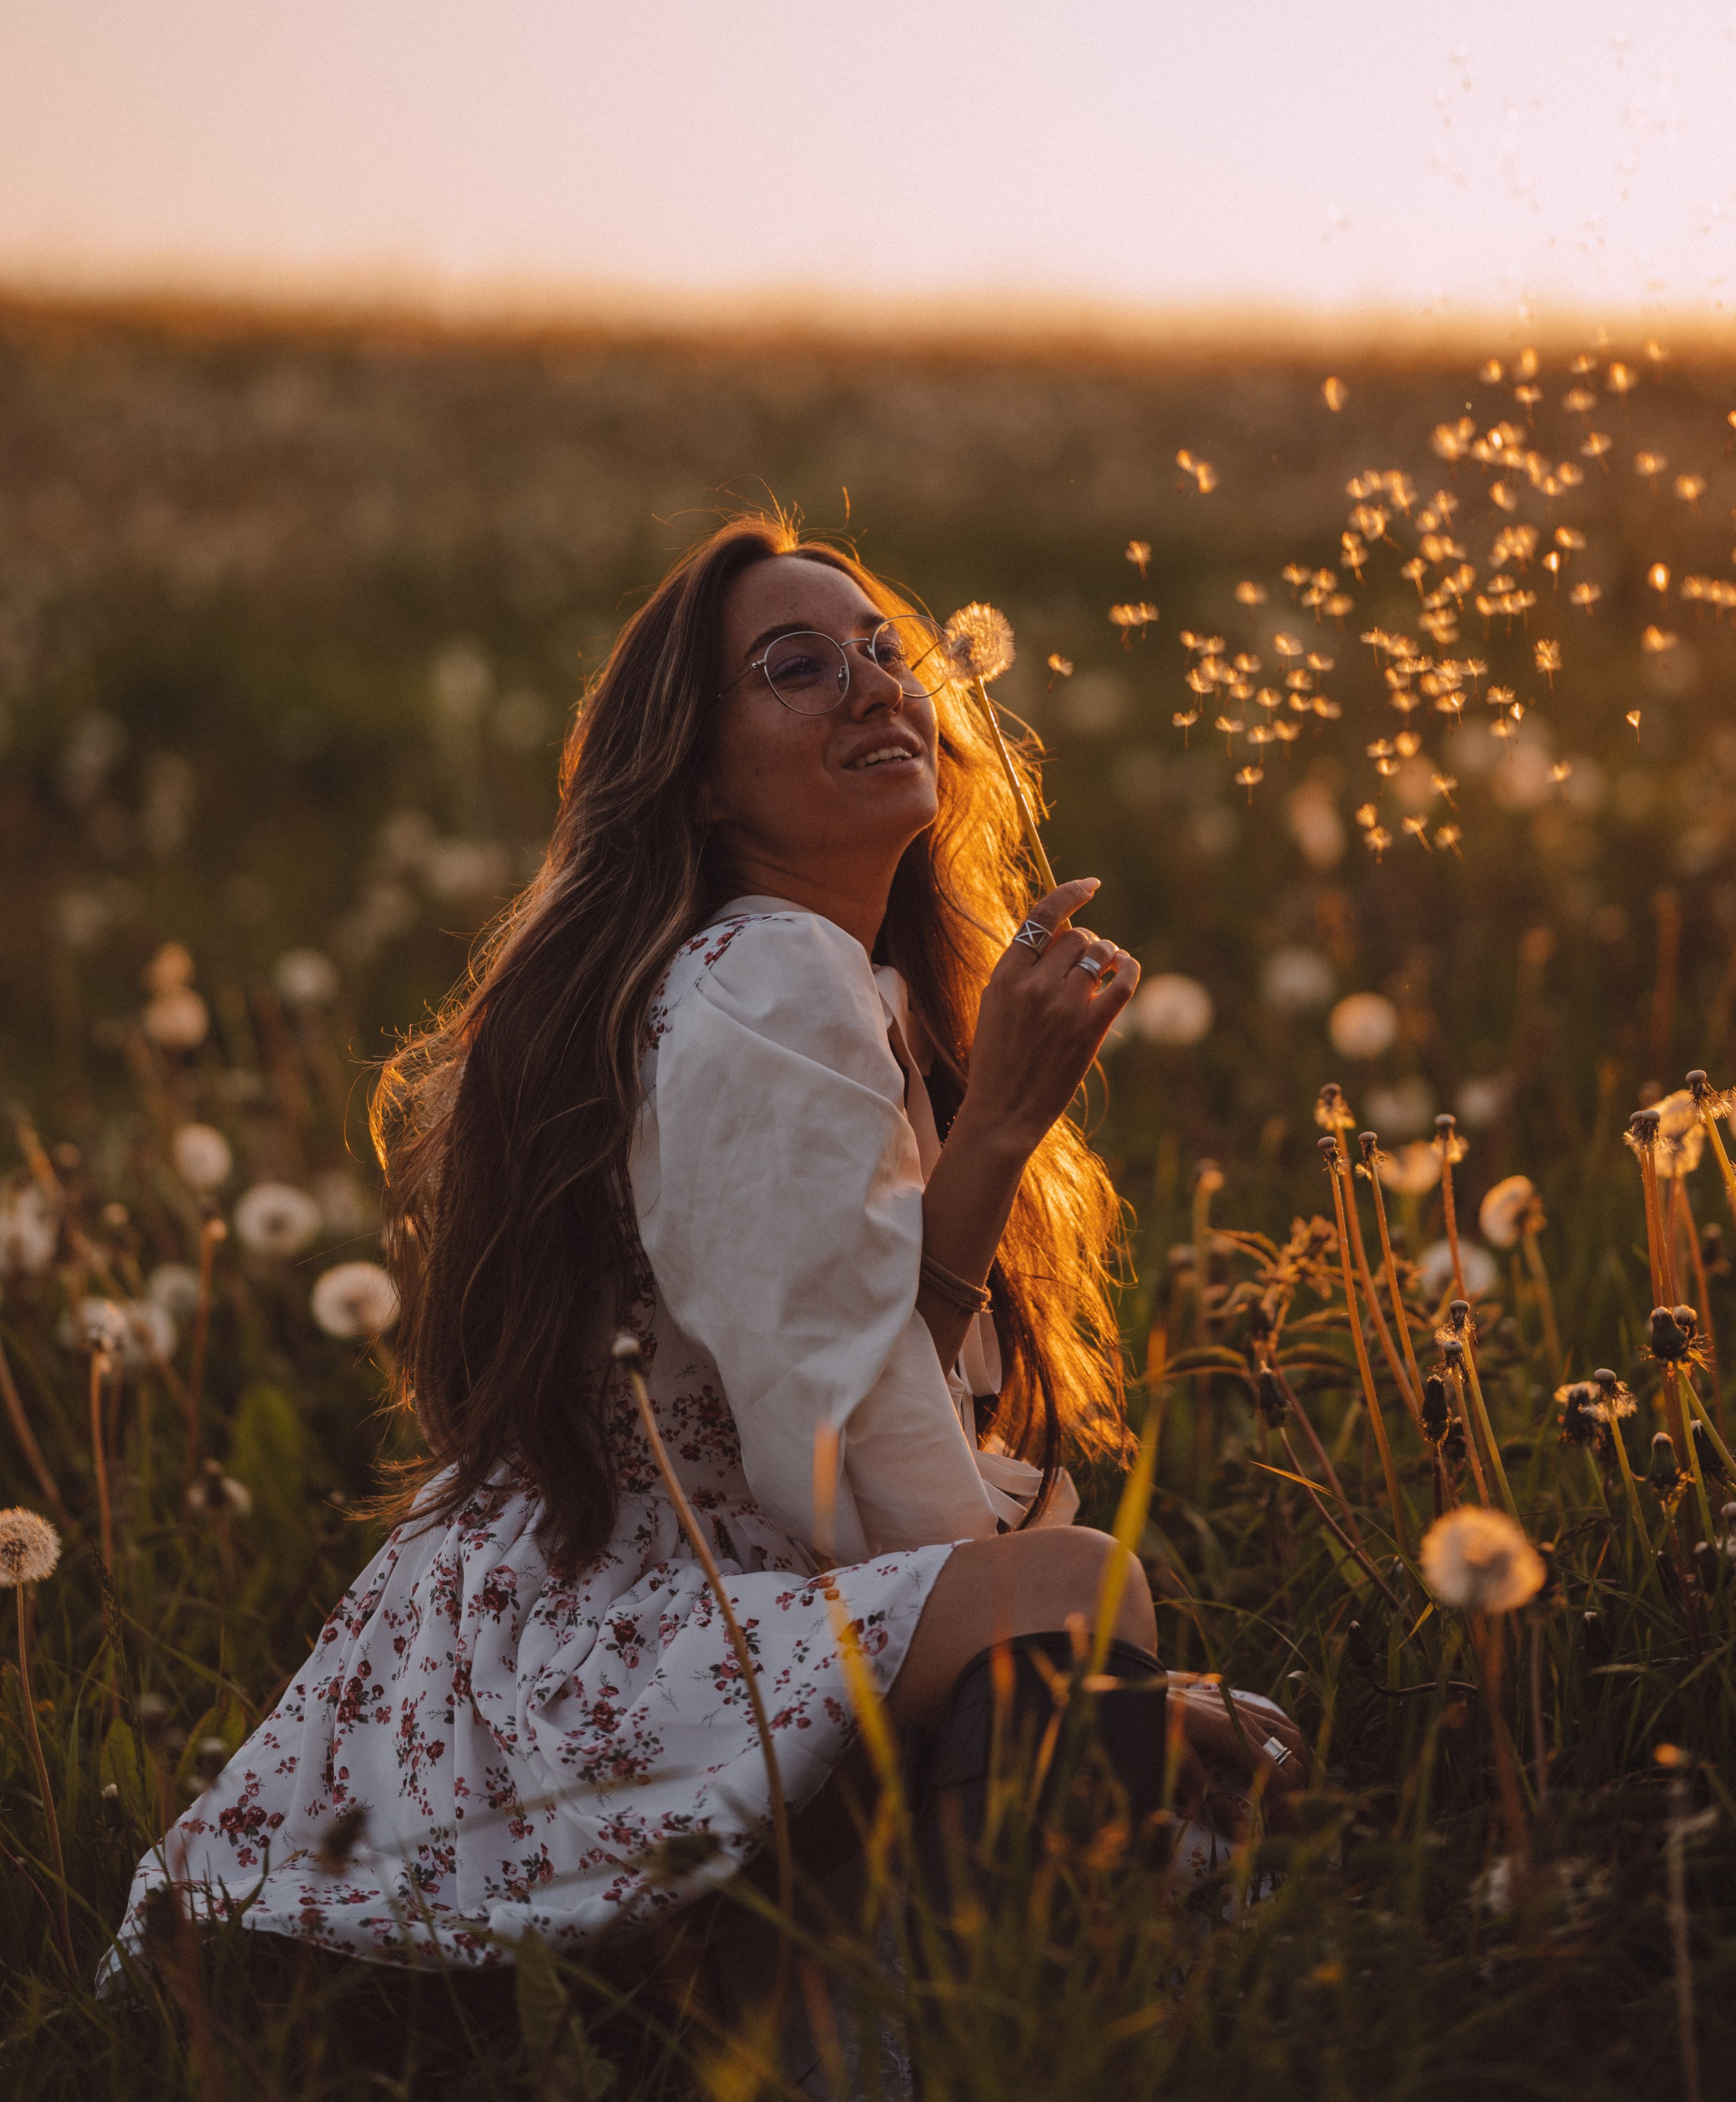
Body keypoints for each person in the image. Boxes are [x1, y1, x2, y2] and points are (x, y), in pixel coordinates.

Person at [111, 513, 1301, 1976]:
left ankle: (910, 1986)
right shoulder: (765, 973)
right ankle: (935, 2033)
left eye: (886, 650)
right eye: (797, 667)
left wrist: (984, 1130)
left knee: (1091, 1656)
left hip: (588, 1619)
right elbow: (832, 1428)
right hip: (587, 1650)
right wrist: (1015, 1637)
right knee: (1069, 1592)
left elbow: (836, 1348)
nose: (872, 685)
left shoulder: (819, 976)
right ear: (696, 771)